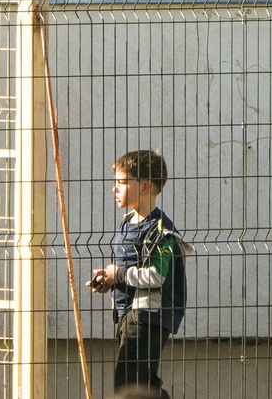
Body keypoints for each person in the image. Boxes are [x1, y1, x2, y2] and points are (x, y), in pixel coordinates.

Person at [89, 149, 187, 391]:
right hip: (126, 315)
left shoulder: (161, 230)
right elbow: (128, 268)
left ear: (144, 187)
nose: (115, 188)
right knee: (143, 384)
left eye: (122, 182)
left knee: (128, 385)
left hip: (148, 318)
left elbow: (157, 276)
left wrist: (119, 275)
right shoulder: (127, 222)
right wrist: (110, 280)